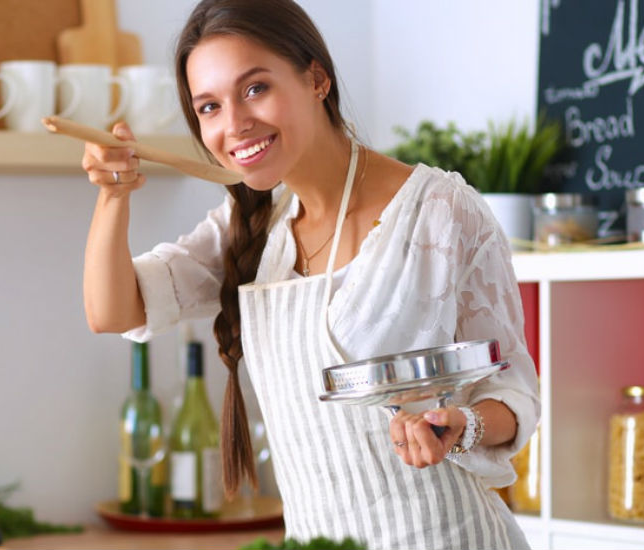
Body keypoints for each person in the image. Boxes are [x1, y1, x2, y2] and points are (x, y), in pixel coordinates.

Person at [79, 0, 540, 548]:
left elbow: (515, 395)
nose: (234, 125)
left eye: (255, 88)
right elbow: (111, 311)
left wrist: (460, 424)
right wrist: (112, 197)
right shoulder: (251, 226)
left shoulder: (440, 210)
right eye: (208, 107)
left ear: (316, 78)